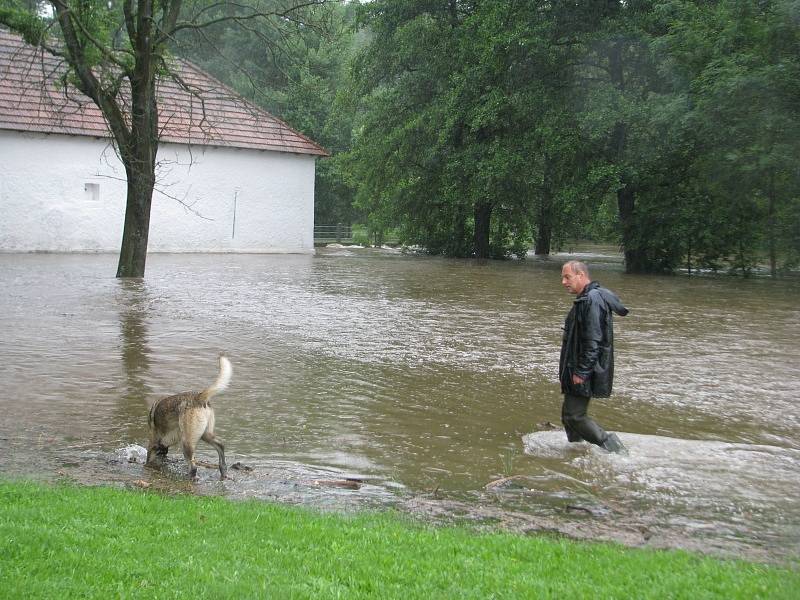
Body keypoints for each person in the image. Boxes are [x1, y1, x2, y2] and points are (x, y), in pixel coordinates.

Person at [559, 260, 629, 453]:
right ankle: (576, 451)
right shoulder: (587, 298)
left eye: (568, 277)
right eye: (563, 278)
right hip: (576, 367)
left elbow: (594, 341)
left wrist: (581, 371)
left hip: (584, 369)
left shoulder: (592, 300)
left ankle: (616, 450)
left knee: (575, 416)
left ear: (581, 275)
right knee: (568, 416)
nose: (564, 282)